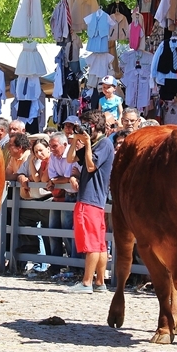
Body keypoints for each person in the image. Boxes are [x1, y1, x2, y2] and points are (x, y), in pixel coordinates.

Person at [66, 109, 114, 293]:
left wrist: (86, 145)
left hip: (90, 199)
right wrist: (75, 141)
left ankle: (87, 282)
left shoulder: (104, 144)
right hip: (95, 200)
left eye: (86, 125)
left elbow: (91, 166)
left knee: (92, 243)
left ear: (94, 125)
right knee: (100, 243)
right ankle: (100, 282)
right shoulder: (94, 143)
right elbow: (70, 159)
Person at [45, 132, 79, 274]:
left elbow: (68, 176)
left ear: (65, 145)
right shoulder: (53, 156)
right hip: (59, 195)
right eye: (50, 146)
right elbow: (54, 176)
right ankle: (56, 264)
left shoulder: (72, 154)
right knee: (53, 230)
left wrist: (55, 181)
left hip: (73, 195)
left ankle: (74, 265)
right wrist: (57, 180)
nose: (52, 149)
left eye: (54, 146)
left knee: (67, 230)